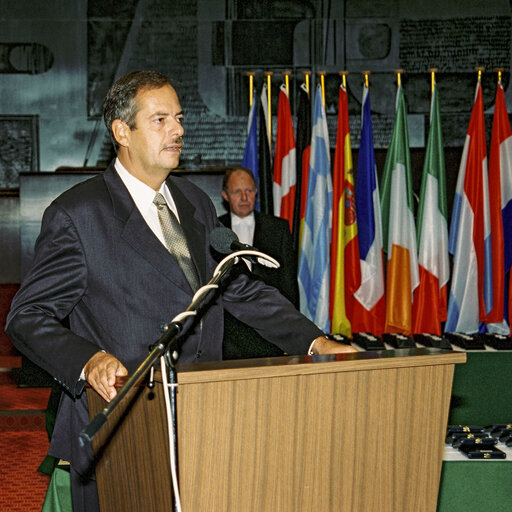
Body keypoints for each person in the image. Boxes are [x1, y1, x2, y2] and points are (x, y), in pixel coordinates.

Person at [5, 70, 356, 512]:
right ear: (122, 132)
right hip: (125, 427)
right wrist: (87, 360)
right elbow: (26, 316)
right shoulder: (78, 214)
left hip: (207, 418)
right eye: (160, 120)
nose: (178, 130)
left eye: (179, 118)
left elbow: (237, 287)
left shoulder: (193, 200)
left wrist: (314, 339)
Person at [219, 167, 299, 358]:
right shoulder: (215, 229)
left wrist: (292, 329)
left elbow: (289, 283)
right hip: (229, 336)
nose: (244, 197)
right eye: (237, 192)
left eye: (249, 190)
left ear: (256, 192)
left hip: (270, 331)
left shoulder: (278, 228)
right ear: (225, 195)